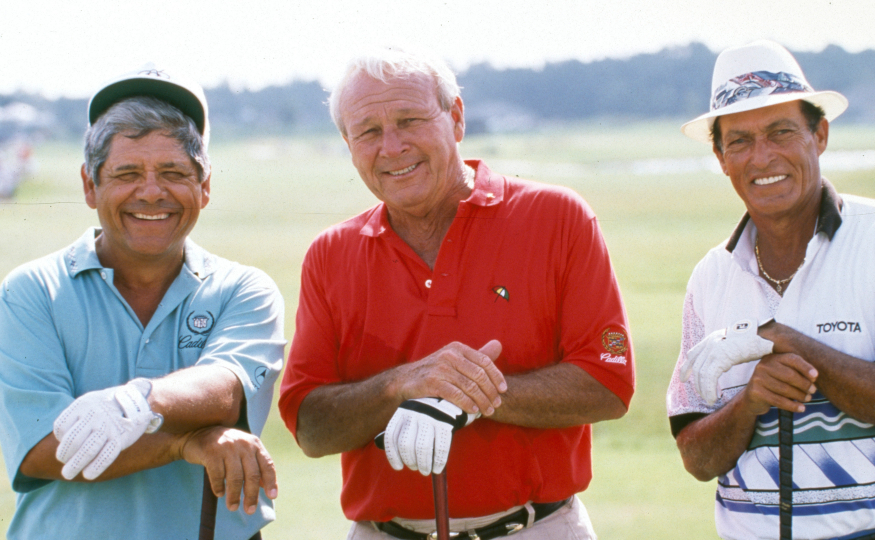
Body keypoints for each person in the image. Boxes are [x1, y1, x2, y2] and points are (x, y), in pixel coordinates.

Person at [279, 50, 635, 540]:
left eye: (409, 120)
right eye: (368, 131)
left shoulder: (558, 217)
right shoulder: (330, 253)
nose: (392, 146)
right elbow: (310, 427)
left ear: (457, 118)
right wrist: (401, 384)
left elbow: (609, 379)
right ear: (348, 142)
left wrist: (464, 398)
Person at [666, 40, 875, 540]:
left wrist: (778, 337)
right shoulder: (710, 277)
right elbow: (696, 455)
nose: (762, 157)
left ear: (819, 134)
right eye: (739, 141)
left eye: (781, 132)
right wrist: (750, 401)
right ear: (720, 156)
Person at [0, 65, 285, 540]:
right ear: (90, 187)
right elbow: (43, 449)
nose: (151, 191)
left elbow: (224, 389)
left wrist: (133, 403)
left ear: (205, 186)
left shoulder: (244, 288)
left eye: (174, 172)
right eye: (127, 173)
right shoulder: (32, 290)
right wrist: (187, 444)